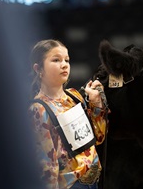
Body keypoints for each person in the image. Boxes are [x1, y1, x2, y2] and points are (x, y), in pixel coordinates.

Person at [28, 39, 109, 189]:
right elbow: (47, 165)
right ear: (38, 69)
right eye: (56, 60)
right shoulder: (38, 109)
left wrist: (97, 104)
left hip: (95, 181)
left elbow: (98, 138)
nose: (64, 64)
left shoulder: (74, 96)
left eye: (67, 60)